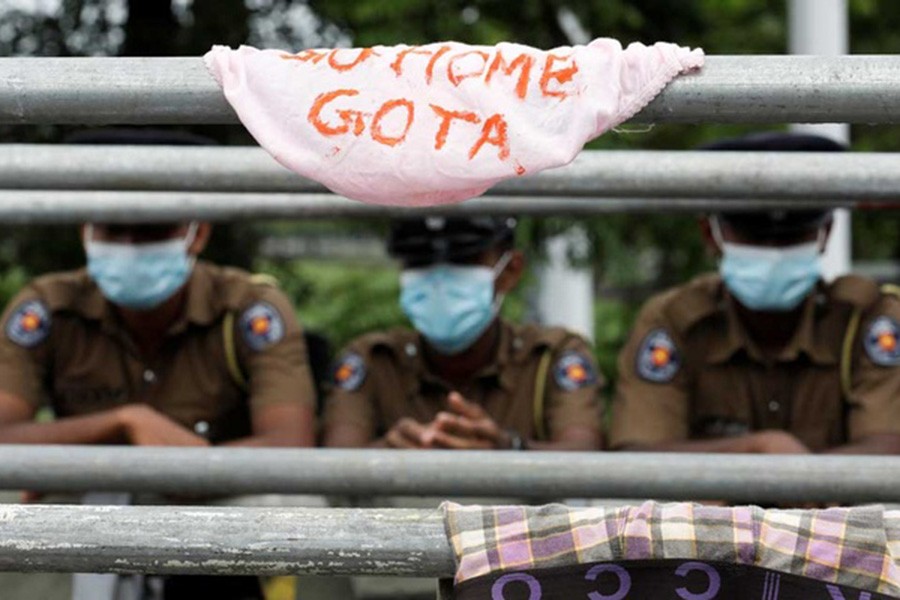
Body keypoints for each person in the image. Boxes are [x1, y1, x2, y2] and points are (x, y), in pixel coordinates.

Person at [0, 131, 316, 449]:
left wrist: (195, 468)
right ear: (86, 233)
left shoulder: (245, 308)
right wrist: (124, 422)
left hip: (217, 494)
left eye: (153, 229)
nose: (131, 245)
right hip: (93, 486)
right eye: (113, 228)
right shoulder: (49, 308)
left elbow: (290, 444)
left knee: (276, 500)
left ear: (198, 235)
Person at [610, 132, 900, 455]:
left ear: (826, 233)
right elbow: (641, 454)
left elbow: (889, 450)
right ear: (711, 234)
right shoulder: (675, 321)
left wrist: (791, 474)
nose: (773, 252)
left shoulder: (864, 318)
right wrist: (757, 450)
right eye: (754, 239)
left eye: (791, 238)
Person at [323, 216, 603, 451]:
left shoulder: (550, 357)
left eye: (463, 259)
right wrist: (389, 454)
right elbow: (331, 470)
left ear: (510, 271)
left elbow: (584, 457)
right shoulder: (373, 361)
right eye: (420, 261)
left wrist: (509, 449)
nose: (440, 280)